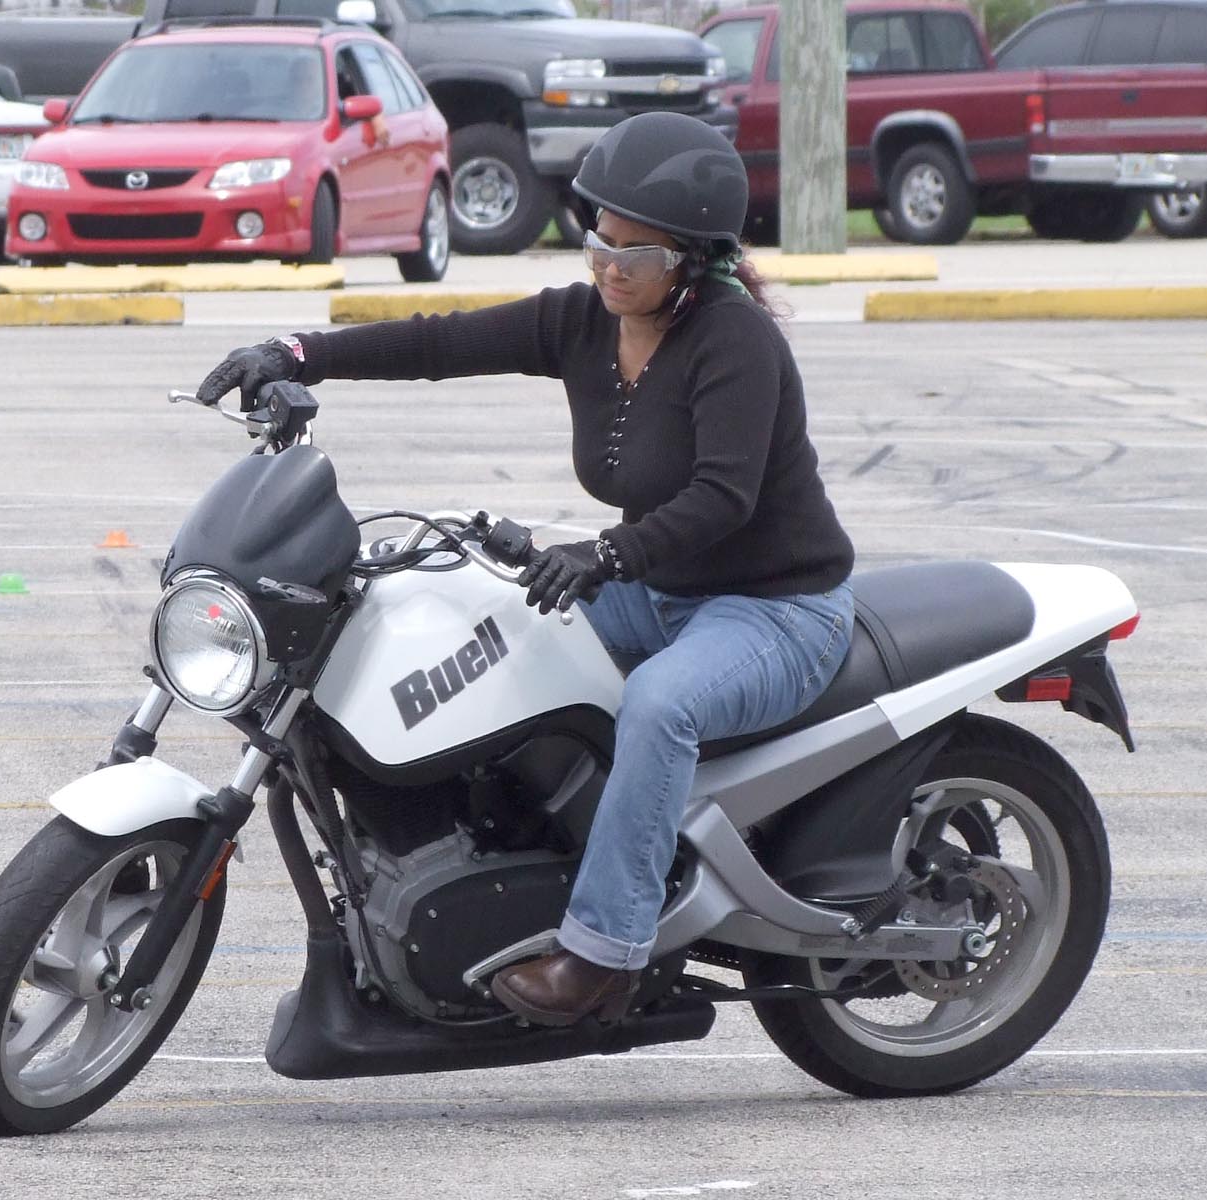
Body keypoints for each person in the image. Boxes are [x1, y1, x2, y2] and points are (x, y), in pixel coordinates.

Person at [194, 112, 856, 1027]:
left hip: (776, 609)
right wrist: (299, 353)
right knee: (488, 632)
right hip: (657, 589)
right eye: (600, 240)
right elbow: (438, 343)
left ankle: (604, 956)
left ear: (695, 261)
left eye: (636, 254)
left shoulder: (735, 342)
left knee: (661, 706)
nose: (609, 267)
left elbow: (723, 497)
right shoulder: (584, 320)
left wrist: (606, 553)